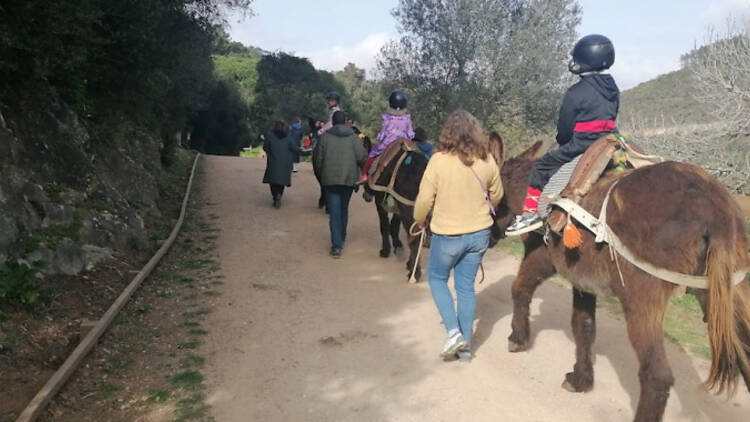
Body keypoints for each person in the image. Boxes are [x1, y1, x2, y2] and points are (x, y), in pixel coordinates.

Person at [506, 34, 619, 235]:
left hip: (582, 144)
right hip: (610, 141)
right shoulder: (613, 88)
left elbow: (566, 128)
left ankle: (530, 214)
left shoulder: (575, 92)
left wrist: (562, 142)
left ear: (584, 59)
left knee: (540, 166)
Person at [414, 110, 503, 363]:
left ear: (448, 133)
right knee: (465, 288)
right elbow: (497, 194)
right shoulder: (487, 161)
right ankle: (465, 351)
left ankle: (453, 333)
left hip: (447, 236)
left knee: (437, 279)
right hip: (479, 235)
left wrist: (420, 219)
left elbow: (423, 200)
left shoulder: (439, 161)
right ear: (476, 133)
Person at [314, 110, 368, 258]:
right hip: (349, 180)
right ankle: (341, 238)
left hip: (329, 181)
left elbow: (318, 160)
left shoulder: (325, 137)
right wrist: (363, 174)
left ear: (333, 122)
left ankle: (336, 246)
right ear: (345, 122)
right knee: (343, 209)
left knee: (334, 212)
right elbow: (362, 158)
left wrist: (322, 177)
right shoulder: (354, 138)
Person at [358, 89, 415, 184]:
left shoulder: (387, 119)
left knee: (372, 155)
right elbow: (410, 134)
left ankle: (363, 175)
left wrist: (380, 138)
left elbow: (382, 134)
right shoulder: (406, 119)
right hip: (403, 143)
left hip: (388, 143)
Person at [262, 121, 310, 208]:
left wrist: (270, 152)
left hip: (273, 162)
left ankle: (275, 195)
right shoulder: (288, 138)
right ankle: (279, 194)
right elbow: (296, 150)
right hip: (285, 165)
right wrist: (307, 153)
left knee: (273, 182)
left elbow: (265, 147)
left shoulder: (270, 136)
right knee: (281, 182)